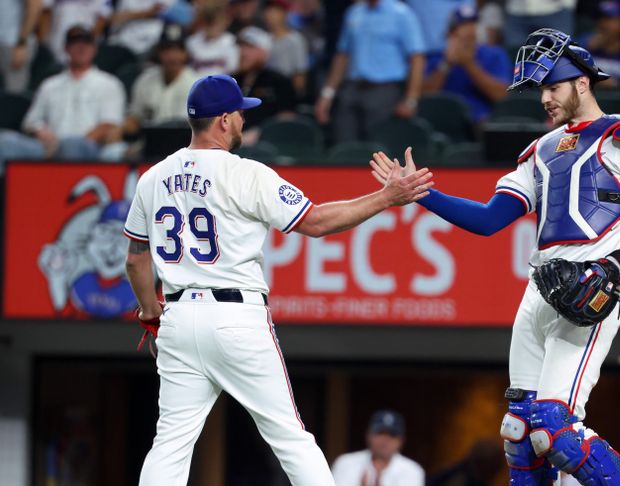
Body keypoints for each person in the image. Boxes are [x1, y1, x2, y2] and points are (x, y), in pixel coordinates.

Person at [371, 28, 620, 485]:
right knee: (519, 430)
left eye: (552, 87)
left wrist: (614, 266)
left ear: (581, 83)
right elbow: (490, 219)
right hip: (538, 294)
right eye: (541, 90)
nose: (544, 99)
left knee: (556, 432)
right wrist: (422, 195)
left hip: (589, 292)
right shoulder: (540, 150)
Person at [124, 73, 433, 486]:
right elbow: (317, 222)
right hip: (236, 316)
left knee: (170, 443)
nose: (243, 122)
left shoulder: (152, 177)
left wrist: (151, 313)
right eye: (239, 115)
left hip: (178, 315)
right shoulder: (246, 173)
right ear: (223, 121)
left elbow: (136, 261)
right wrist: (386, 198)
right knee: (290, 438)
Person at [0, 26, 126, 171]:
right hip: (48, 147)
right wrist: (41, 131)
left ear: (95, 48)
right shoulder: (50, 84)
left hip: (90, 149)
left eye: (86, 42)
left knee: (70, 145)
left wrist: (68, 145)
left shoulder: (109, 83)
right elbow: (31, 121)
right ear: (66, 48)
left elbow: (109, 124)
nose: (81, 47)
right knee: (5, 141)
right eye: (75, 42)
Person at [314, 0, 425, 144]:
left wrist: (411, 99)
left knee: (380, 151)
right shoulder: (354, 12)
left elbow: (417, 58)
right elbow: (342, 55)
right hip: (351, 89)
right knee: (344, 147)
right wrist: (327, 94)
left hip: (385, 91)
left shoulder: (402, 14)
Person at [422, 5, 511, 122]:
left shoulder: (494, 54)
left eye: (473, 25)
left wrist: (469, 64)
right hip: (442, 120)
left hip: (482, 121)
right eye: (463, 26)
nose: (470, 30)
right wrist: (446, 64)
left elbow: (502, 97)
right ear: (450, 34)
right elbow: (423, 98)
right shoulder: (437, 58)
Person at [124, 24, 198, 142]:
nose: (172, 56)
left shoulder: (196, 84)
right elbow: (135, 118)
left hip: (184, 144)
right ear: (158, 53)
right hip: (151, 143)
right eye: (167, 50)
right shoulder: (145, 80)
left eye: (178, 50)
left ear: (185, 54)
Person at [233, 26, 298, 146]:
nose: (243, 52)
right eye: (241, 47)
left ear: (265, 51)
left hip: (268, 147)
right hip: (232, 147)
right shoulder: (232, 81)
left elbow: (286, 119)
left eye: (250, 47)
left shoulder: (279, 81)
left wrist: (260, 133)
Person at [331, 410, 425, 486]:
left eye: (392, 435)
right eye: (380, 433)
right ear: (368, 435)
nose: (385, 440)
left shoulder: (412, 471)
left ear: (401, 440)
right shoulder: (346, 463)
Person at [40, 0, 111, 64]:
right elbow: (46, 12)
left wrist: (88, 44)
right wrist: (44, 43)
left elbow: (102, 18)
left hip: (85, 39)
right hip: (56, 41)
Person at [263, 0, 309, 95]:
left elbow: (300, 72)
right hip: (266, 88)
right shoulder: (263, 38)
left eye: (275, 11)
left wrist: (297, 94)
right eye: (268, 10)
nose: (270, 15)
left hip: (285, 89)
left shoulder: (295, 39)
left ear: (284, 13)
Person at [0, 0, 43, 94]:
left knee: (13, 94)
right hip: (3, 41)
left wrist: (22, 43)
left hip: (13, 44)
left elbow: (35, 6)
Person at [186, 2, 238, 77]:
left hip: (220, 85)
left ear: (224, 22)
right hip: (197, 85)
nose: (212, 26)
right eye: (209, 22)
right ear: (204, 22)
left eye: (215, 22)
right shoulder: (192, 41)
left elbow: (233, 70)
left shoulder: (231, 41)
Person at [108, 0, 174, 56]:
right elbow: (110, 17)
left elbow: (159, 11)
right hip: (119, 38)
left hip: (146, 42)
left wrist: (126, 16)